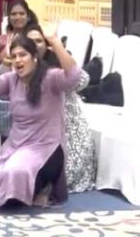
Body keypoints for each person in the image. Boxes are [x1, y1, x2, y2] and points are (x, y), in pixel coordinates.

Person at [0, 21, 82, 209]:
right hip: (16, 146)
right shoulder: (11, 80)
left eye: (23, 55)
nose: (18, 60)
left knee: (14, 172)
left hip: (46, 149)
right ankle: (33, 191)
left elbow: (74, 76)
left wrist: (54, 41)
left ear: (35, 58)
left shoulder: (50, 77)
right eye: (14, 56)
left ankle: (44, 188)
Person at [22, 25, 95, 193]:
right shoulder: (22, 66)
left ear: (46, 45)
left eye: (39, 41)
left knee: (48, 177)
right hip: (40, 133)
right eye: (30, 41)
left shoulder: (58, 62)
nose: (34, 45)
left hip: (69, 135)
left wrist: (57, 44)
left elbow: (83, 80)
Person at [0, 1, 38, 75]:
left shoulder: (34, 38)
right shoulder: (0, 40)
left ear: (28, 17)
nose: (17, 17)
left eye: (22, 14)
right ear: (9, 18)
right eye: (13, 14)